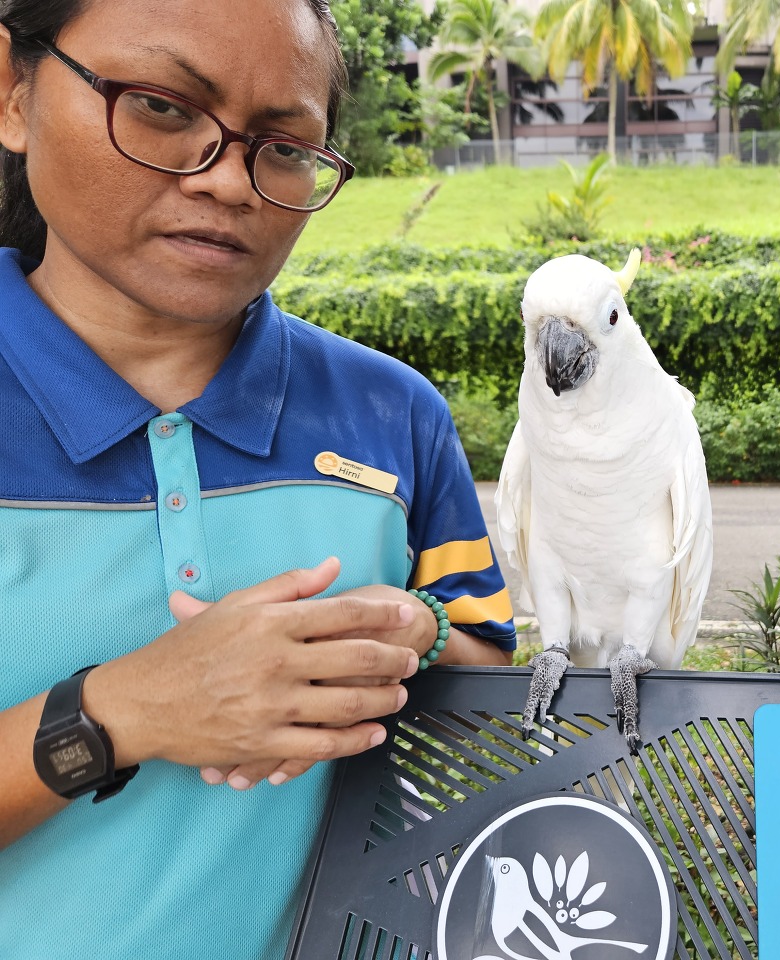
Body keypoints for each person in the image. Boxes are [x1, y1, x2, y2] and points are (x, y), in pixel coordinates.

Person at [0, 1, 517, 956]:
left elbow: (485, 676)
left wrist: (417, 631)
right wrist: (122, 712)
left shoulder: (392, 415)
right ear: (13, 90)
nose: (229, 181)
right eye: (161, 106)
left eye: (283, 148)